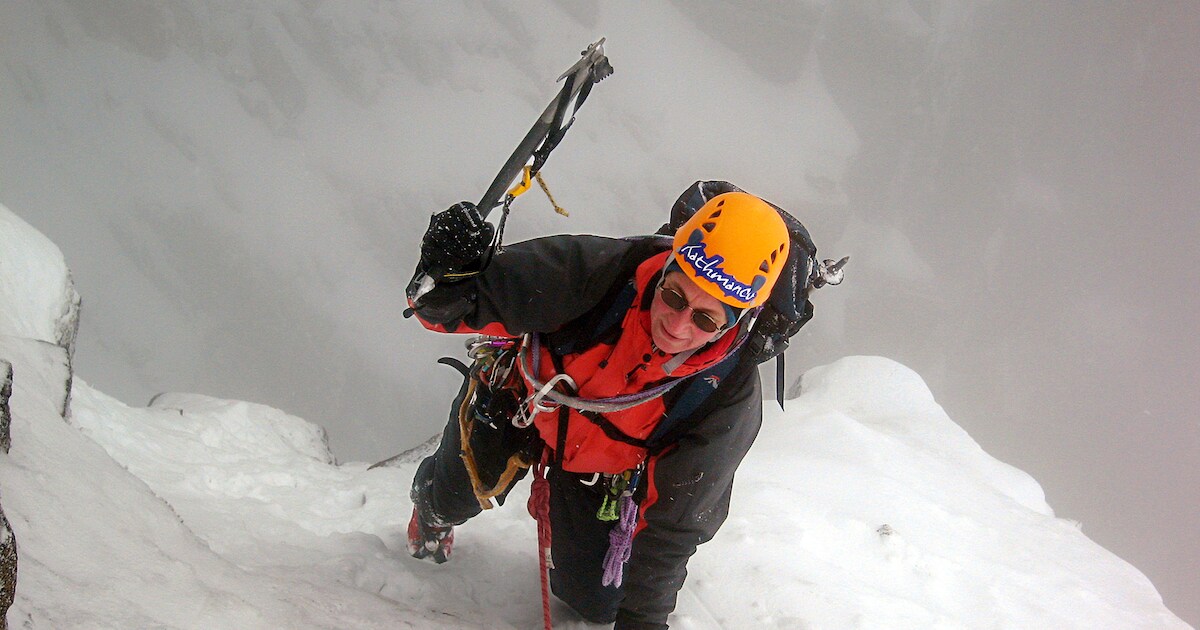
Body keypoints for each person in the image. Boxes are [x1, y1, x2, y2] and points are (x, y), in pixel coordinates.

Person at [404, 183, 798, 629]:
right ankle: (432, 509)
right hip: (521, 401)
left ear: (738, 322)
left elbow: (675, 524)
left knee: (597, 604)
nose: (678, 325)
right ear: (666, 266)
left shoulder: (727, 394)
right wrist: (445, 271)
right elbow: (450, 304)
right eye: (673, 296)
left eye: (706, 319)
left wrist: (643, 622)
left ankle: (556, 504)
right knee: (455, 495)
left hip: (602, 471)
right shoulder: (598, 274)